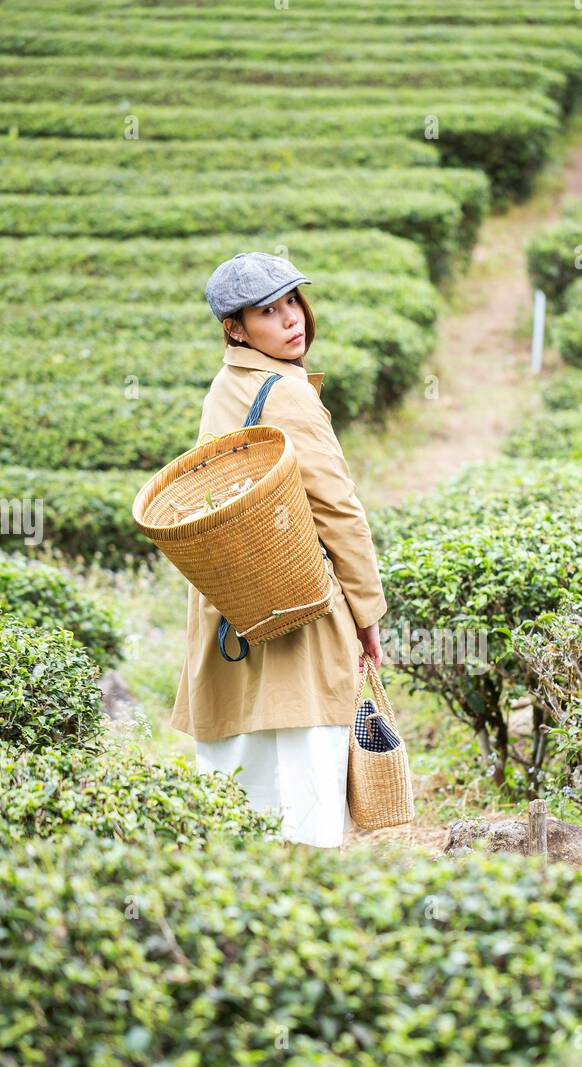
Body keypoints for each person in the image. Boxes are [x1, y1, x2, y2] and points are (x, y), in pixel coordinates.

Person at [168, 251, 387, 849]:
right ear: (235, 328)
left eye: (293, 301)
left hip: (231, 607)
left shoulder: (226, 383)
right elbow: (337, 510)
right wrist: (367, 612)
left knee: (241, 788)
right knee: (306, 780)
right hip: (297, 604)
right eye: (268, 310)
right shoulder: (285, 393)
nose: (291, 319)